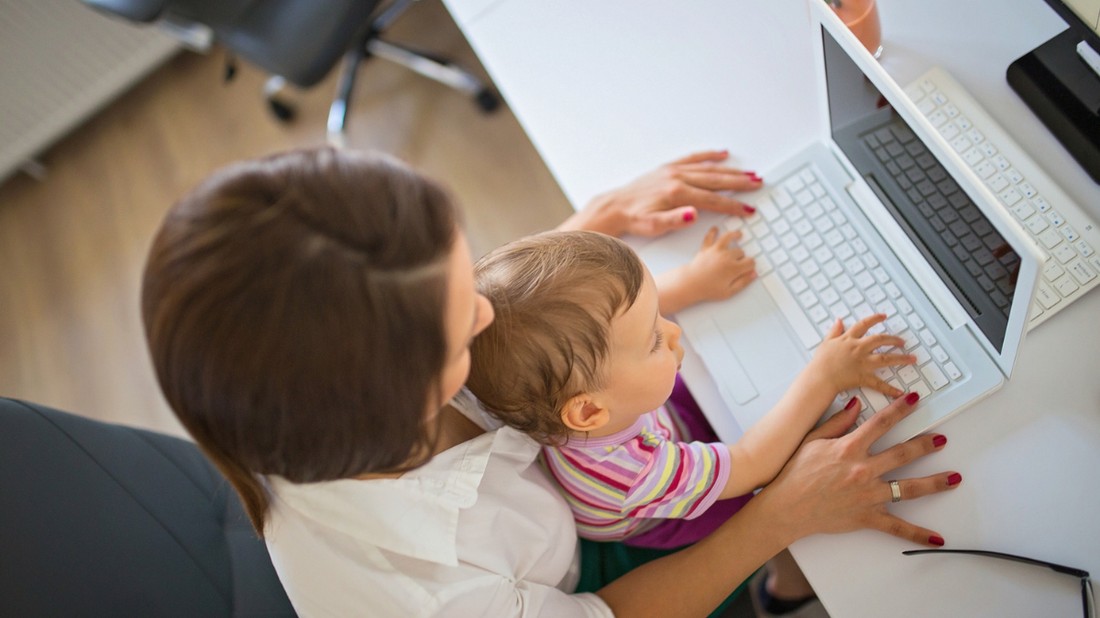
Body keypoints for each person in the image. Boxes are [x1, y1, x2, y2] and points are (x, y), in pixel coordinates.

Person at [141, 146, 961, 617]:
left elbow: (485, 317)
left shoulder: (293, 380)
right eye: (463, 317)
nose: (488, 317)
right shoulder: (438, 594)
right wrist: (779, 516)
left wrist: (588, 231)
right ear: (396, 397)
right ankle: (781, 595)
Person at [466, 229, 916, 550]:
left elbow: (604, 323)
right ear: (588, 413)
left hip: (649, 427)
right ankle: (785, 586)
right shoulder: (636, 471)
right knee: (771, 493)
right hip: (657, 519)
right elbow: (752, 464)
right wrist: (826, 374)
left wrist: (693, 281)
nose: (674, 333)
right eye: (654, 339)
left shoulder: (570, 400)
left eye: (659, 312)